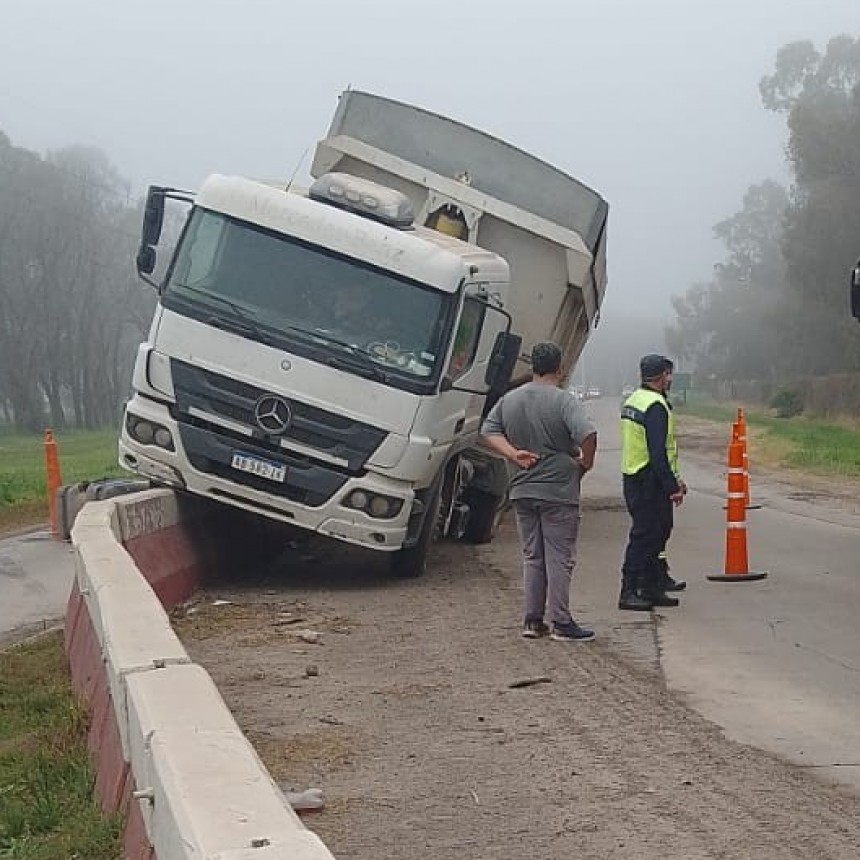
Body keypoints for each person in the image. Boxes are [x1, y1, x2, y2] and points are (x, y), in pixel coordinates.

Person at [480, 342, 598, 642]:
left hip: (522, 487)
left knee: (533, 556)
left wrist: (513, 454)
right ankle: (561, 621)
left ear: (533, 367)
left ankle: (533, 621)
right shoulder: (563, 401)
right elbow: (588, 434)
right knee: (559, 556)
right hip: (558, 490)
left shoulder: (510, 400)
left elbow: (488, 431)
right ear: (561, 368)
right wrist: (584, 463)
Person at [618, 354, 687, 611]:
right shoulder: (656, 406)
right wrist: (672, 487)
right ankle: (629, 590)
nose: (670, 379)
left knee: (657, 531)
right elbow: (658, 452)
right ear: (662, 376)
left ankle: (651, 586)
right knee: (645, 536)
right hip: (649, 479)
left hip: (634, 475)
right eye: (668, 374)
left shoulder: (635, 399)